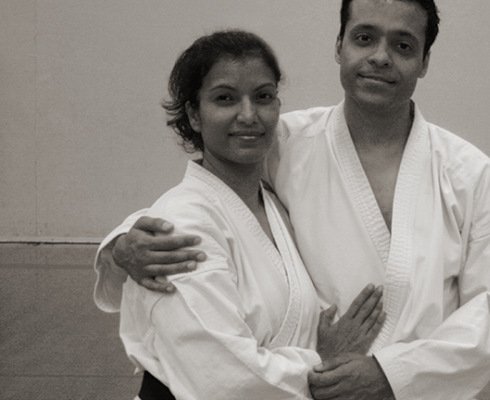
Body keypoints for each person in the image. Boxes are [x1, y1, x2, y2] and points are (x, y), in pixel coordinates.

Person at [95, 1, 490, 399]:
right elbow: (208, 197)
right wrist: (124, 243)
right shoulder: (284, 143)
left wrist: (392, 374)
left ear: (425, 61)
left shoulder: (473, 177)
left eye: (403, 45)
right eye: (364, 38)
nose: (380, 57)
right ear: (339, 46)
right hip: (302, 385)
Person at [110, 30, 387, 400]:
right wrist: (324, 361)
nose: (248, 115)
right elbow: (221, 380)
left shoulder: (273, 201)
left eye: (263, 96)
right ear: (193, 114)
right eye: (225, 98)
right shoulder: (178, 229)